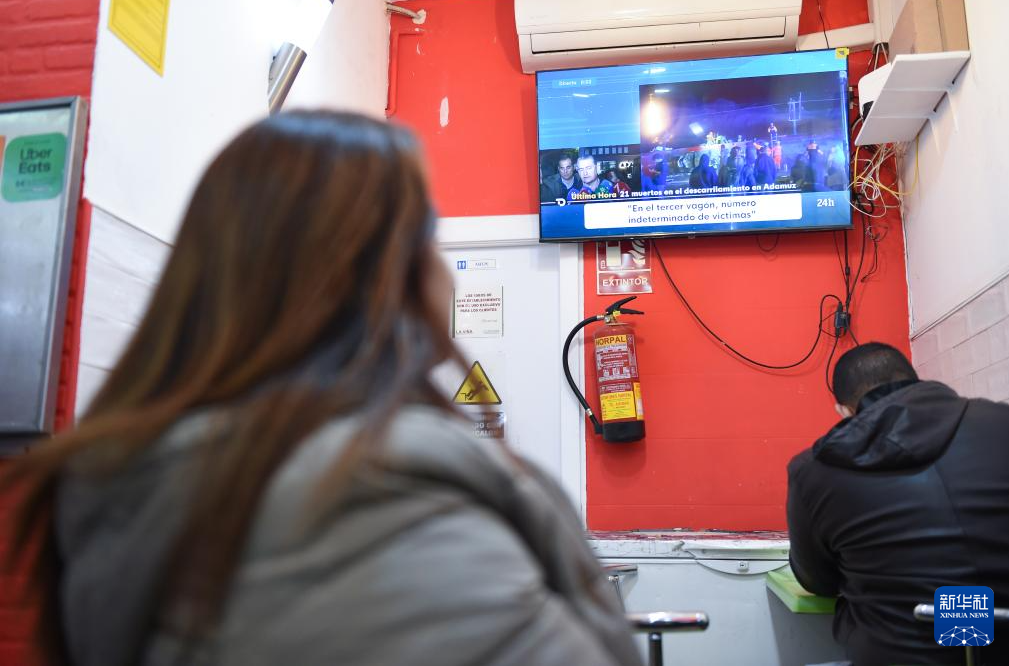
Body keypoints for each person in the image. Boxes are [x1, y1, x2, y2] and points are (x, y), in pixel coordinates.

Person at [2, 112, 641, 666]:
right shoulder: (373, 497)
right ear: (384, 275)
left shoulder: (120, 476)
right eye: (428, 235)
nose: (444, 269)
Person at [787, 342, 1009, 666]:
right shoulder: (1004, 422)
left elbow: (818, 582)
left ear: (844, 411)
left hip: (900, 654)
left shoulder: (813, 469)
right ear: (914, 380)